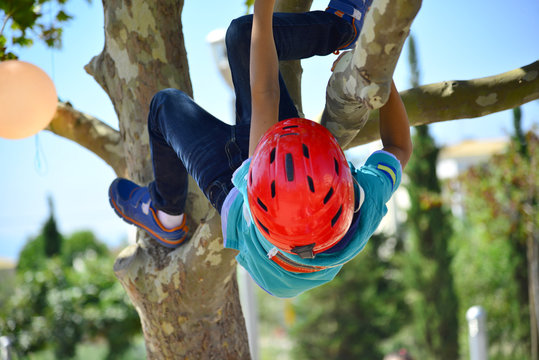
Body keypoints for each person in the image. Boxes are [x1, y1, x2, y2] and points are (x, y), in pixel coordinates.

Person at [108, 0, 412, 298]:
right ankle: (342, 28)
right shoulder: (366, 200)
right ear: (347, 180)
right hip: (270, 198)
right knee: (243, 34)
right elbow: (399, 146)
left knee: (164, 105)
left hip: (226, 187)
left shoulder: (252, 204)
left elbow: (265, 92)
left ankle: (166, 214)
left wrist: (263, 6)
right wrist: (378, 74)